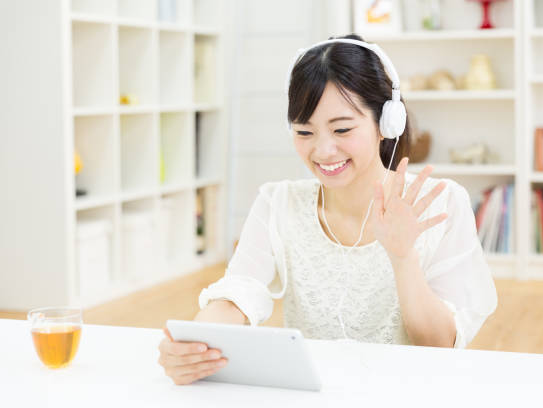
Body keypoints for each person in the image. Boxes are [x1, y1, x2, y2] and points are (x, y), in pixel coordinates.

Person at [157, 33, 497, 385]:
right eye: (305, 132)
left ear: (386, 123)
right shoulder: (279, 203)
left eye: (342, 129)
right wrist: (193, 344)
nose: (323, 151)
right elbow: (239, 292)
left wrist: (403, 257)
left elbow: (439, 345)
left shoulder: (441, 202)